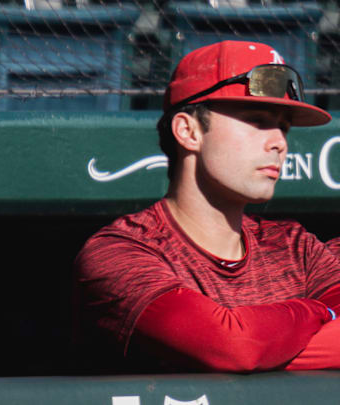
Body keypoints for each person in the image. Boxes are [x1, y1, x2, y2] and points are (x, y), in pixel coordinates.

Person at [73, 40, 340, 373]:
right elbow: (231, 346)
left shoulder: (294, 247)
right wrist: (317, 311)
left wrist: (264, 346)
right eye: (258, 121)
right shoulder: (121, 251)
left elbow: (243, 349)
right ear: (188, 131)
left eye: (283, 128)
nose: (279, 143)